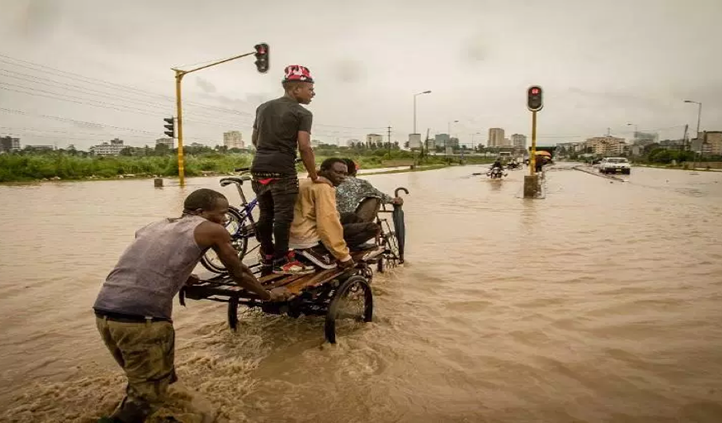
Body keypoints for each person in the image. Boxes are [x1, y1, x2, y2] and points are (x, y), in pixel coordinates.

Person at [93, 189, 289, 423]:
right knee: (148, 398)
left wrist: (185, 277)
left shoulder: (153, 226)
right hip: (141, 319)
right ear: (200, 212)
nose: (225, 219)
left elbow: (150, 259)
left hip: (105, 310)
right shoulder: (213, 230)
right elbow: (239, 272)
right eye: (221, 213)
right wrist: (268, 295)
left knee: (151, 381)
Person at [250, 64, 329, 275]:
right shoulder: (302, 113)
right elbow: (304, 146)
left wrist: (267, 154)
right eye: (310, 89)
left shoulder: (263, 107)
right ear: (295, 89)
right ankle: (282, 260)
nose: (313, 93)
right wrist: (314, 175)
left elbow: (255, 139)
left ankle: (267, 256)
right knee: (283, 217)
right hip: (282, 170)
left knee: (265, 214)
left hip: (258, 168)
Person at [289, 158, 381, 269]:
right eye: (338, 172)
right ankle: (322, 250)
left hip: (295, 232)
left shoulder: (303, 182)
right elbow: (327, 224)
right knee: (373, 228)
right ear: (324, 170)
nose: (342, 177)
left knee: (350, 216)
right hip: (309, 239)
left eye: (344, 174)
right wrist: (343, 255)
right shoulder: (324, 188)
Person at [335, 158, 403, 219]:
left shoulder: (330, 182)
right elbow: (379, 195)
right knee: (375, 198)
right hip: (345, 221)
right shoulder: (359, 183)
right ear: (353, 171)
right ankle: (363, 228)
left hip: (330, 219)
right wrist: (393, 200)